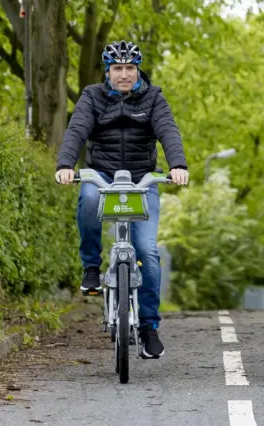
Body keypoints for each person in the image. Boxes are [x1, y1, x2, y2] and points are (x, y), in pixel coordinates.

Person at [55, 40, 189, 359]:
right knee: (88, 201)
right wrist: (65, 165)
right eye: (118, 68)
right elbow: (76, 131)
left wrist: (178, 165)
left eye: (130, 68)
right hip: (102, 176)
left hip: (142, 180)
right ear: (108, 71)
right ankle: (91, 267)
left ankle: (148, 328)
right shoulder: (92, 97)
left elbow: (168, 130)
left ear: (138, 70)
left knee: (148, 251)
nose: (124, 74)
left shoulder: (153, 98)